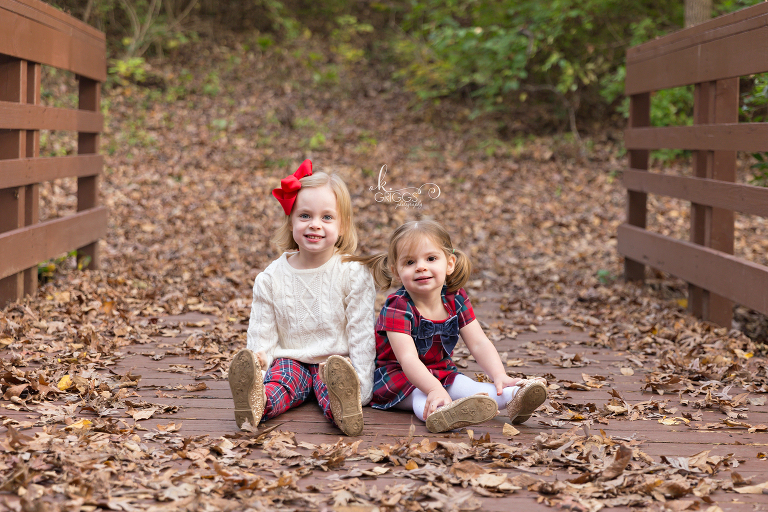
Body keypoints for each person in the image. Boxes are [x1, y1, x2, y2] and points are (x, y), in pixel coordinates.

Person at [228, 159, 375, 436]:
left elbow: (361, 334)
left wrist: (363, 386)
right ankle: (256, 403)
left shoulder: (353, 273)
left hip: (334, 360)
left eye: (327, 217)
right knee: (281, 382)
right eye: (305, 216)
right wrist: (257, 372)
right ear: (291, 221)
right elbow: (262, 337)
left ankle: (346, 409)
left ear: (342, 226)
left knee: (335, 385)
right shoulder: (271, 278)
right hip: (290, 359)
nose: (315, 225)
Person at [363, 220, 547, 433]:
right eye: (410, 262)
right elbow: (408, 359)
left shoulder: (454, 298)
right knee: (421, 395)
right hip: (397, 377)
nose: (421, 266)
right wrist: (434, 389)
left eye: (431, 258)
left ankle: (514, 396)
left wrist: (499, 375)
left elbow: (478, 343)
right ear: (397, 271)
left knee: (468, 387)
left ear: (449, 263)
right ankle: (442, 413)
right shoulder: (398, 306)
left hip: (439, 372)